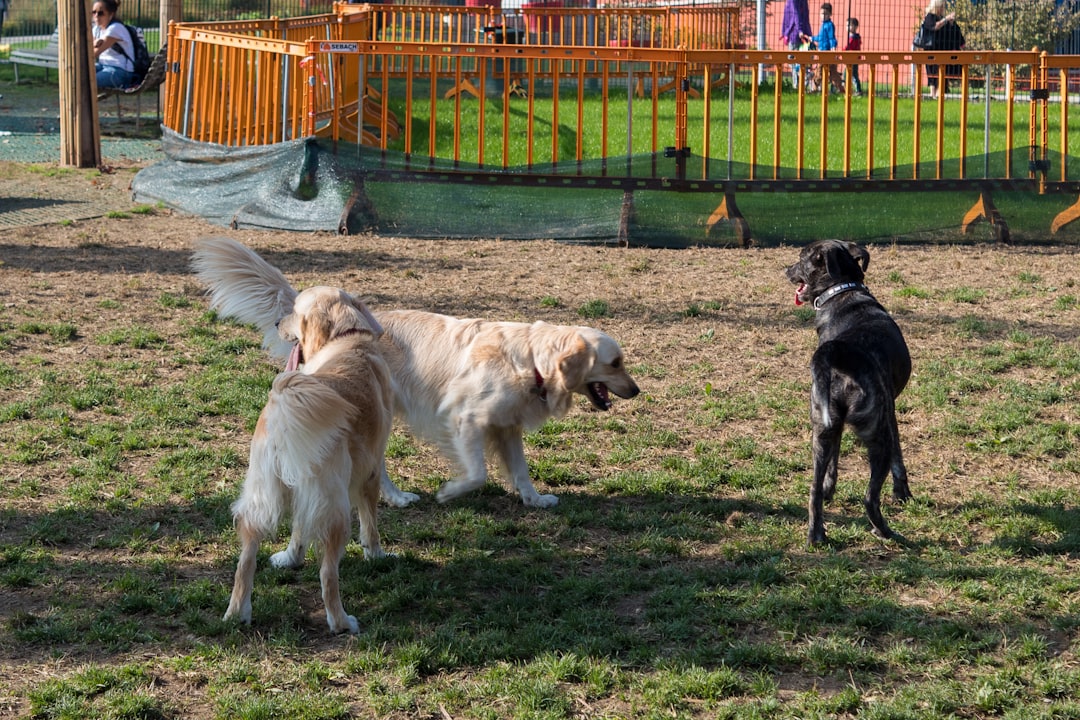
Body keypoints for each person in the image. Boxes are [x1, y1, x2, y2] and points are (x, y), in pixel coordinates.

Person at [921, 0, 965, 98]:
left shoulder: (942, 18)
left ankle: (939, 92)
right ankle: (933, 94)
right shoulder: (930, 17)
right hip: (932, 50)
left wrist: (951, 23)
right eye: (942, 6)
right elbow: (934, 27)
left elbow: (951, 32)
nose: (943, 8)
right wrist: (946, 20)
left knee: (943, 70)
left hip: (943, 49)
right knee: (933, 72)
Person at [92, 0, 136, 90]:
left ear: (111, 15)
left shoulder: (115, 28)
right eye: (94, 12)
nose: (96, 16)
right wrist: (93, 44)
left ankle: (86, 104)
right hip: (103, 66)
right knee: (80, 74)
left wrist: (92, 45)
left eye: (101, 13)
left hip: (121, 70)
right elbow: (90, 48)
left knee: (89, 81)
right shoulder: (96, 29)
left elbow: (94, 53)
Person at [781, 0, 813, 89]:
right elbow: (804, 16)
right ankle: (804, 82)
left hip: (795, 34)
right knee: (803, 60)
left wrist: (798, 30)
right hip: (802, 33)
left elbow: (795, 15)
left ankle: (797, 85)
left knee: (793, 60)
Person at [812, 3, 842, 94]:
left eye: (825, 14)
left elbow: (831, 37)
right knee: (826, 71)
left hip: (827, 53)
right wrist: (812, 38)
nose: (823, 16)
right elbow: (820, 37)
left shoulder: (829, 25)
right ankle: (840, 88)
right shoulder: (823, 25)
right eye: (821, 14)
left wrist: (833, 47)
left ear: (830, 15)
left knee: (822, 71)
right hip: (822, 52)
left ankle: (815, 88)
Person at [844, 17, 862, 96]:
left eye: (849, 25)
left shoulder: (853, 38)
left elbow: (848, 46)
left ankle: (851, 89)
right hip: (854, 57)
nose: (847, 27)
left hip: (852, 58)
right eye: (846, 25)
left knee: (849, 74)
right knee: (854, 74)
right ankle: (856, 89)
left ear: (855, 27)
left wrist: (843, 50)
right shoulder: (856, 37)